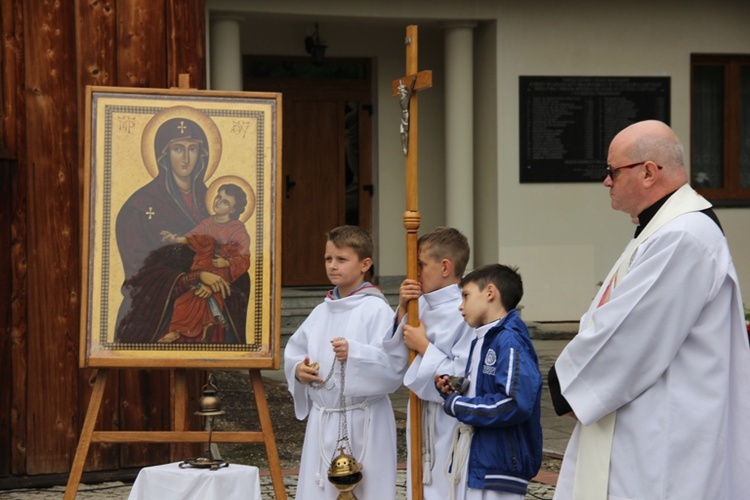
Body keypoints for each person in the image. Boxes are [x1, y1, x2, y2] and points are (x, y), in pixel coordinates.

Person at [547, 120, 750, 499]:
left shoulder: (681, 236)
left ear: (648, 172)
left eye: (611, 171)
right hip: (650, 421)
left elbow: (631, 334)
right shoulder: (663, 228)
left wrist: (569, 388)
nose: (606, 181)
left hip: (662, 437)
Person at [284, 225, 402, 500]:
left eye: (341, 259)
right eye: (328, 259)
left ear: (365, 264)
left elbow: (394, 367)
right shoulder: (320, 311)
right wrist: (298, 371)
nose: (332, 266)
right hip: (323, 418)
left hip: (365, 419)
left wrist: (356, 354)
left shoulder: (377, 310)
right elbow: (294, 354)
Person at [114, 115, 250, 344]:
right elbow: (137, 274)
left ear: (203, 155)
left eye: (193, 149)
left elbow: (235, 253)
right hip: (160, 309)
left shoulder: (211, 203)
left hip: (213, 299)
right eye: (178, 149)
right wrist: (195, 278)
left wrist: (219, 275)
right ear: (164, 155)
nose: (186, 159)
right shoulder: (138, 207)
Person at [436, 263, 542, 500]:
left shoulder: (510, 340)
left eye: (465, 296)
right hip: (480, 458)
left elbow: (514, 403)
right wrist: (456, 389)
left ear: (490, 293)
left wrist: (458, 406)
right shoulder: (483, 338)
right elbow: (484, 387)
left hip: (499, 465)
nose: (460, 306)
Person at [382, 227, 474, 499]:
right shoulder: (417, 304)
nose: (414, 273)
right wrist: (402, 309)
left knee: (446, 487)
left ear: (445, 267)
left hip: (448, 421)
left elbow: (462, 378)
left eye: (420, 265)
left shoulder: (465, 310)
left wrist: (423, 346)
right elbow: (395, 362)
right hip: (420, 414)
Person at [159, 183, 251, 343]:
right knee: (183, 301)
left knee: (203, 298)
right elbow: (194, 238)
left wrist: (227, 263)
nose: (218, 202)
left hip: (221, 274)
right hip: (202, 268)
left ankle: (188, 328)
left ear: (232, 210)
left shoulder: (237, 229)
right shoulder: (208, 223)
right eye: (218, 197)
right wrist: (175, 238)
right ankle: (181, 328)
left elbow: (244, 257)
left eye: (225, 202)